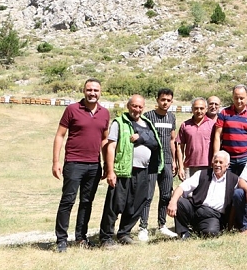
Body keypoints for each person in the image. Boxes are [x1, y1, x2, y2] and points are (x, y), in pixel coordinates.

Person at [52, 78, 110, 252]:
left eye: (96, 90)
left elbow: (104, 139)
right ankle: (61, 240)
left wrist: (107, 164)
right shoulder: (72, 109)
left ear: (100, 92)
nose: (92, 93)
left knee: (86, 202)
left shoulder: (104, 113)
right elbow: (60, 135)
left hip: (94, 165)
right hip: (74, 163)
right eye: (89, 90)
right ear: (84, 91)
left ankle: (81, 237)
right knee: (67, 201)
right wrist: (56, 161)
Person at [99, 95, 164, 247]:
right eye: (134, 106)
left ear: (144, 108)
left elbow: (155, 143)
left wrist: (141, 138)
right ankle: (106, 237)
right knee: (114, 205)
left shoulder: (147, 123)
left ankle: (124, 233)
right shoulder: (119, 122)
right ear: (128, 106)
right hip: (123, 170)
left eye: (140, 107)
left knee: (137, 204)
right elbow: (111, 147)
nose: (137, 109)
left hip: (143, 171)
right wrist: (110, 171)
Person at [167, 151, 238, 239]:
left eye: (221, 162)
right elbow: (182, 187)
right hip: (196, 208)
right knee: (180, 202)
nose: (217, 164)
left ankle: (196, 229)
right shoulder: (202, 174)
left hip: (213, 215)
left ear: (227, 165)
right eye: (215, 161)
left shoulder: (234, 180)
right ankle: (183, 232)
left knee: (211, 232)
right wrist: (173, 201)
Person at [139, 88, 177, 240]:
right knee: (147, 195)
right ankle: (143, 227)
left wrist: (174, 161)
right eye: (163, 100)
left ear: (171, 101)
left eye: (168, 100)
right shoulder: (148, 116)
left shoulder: (172, 117)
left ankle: (162, 225)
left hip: (167, 161)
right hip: (151, 162)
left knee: (166, 194)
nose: (165, 103)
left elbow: (172, 140)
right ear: (157, 100)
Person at [213, 85, 247, 176]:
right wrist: (216, 155)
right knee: (226, 183)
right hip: (227, 158)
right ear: (233, 97)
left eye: (241, 98)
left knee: (244, 183)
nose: (239, 101)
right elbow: (217, 135)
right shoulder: (224, 113)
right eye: (236, 98)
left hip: (246, 158)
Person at [177, 97, 215, 179]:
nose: (199, 111)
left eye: (201, 108)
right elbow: (180, 147)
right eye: (196, 108)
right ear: (192, 109)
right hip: (189, 166)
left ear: (206, 109)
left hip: (208, 166)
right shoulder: (185, 125)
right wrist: (180, 167)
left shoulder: (213, 125)